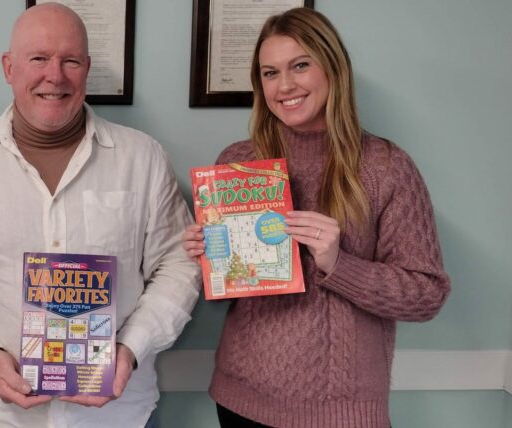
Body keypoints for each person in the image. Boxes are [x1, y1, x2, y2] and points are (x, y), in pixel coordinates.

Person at [0, 4, 200, 427]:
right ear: (9, 67)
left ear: (86, 68)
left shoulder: (143, 157)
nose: (55, 75)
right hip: (7, 411)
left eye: (70, 60)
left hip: (119, 410)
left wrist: (131, 348)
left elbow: (179, 265)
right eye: (39, 58)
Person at [181, 8, 450, 427]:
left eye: (300, 66)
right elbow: (233, 292)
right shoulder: (238, 163)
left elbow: (427, 295)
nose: (285, 85)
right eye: (270, 73)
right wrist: (208, 258)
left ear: (332, 68)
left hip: (340, 411)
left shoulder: (386, 167)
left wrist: (339, 265)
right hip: (240, 398)